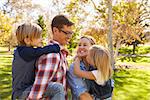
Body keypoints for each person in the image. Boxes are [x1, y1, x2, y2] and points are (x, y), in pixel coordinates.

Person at [27, 15, 74, 100]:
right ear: (55, 30)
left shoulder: (59, 53)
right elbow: (39, 87)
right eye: (66, 33)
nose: (69, 36)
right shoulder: (53, 55)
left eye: (71, 33)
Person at [12, 23, 61, 100]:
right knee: (57, 89)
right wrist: (56, 47)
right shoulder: (24, 52)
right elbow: (41, 51)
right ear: (27, 40)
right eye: (38, 37)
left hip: (23, 91)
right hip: (22, 92)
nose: (41, 39)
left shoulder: (23, 52)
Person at [67, 36, 96, 100]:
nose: (81, 47)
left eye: (85, 45)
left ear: (92, 48)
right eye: (79, 45)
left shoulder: (97, 65)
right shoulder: (74, 68)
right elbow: (82, 94)